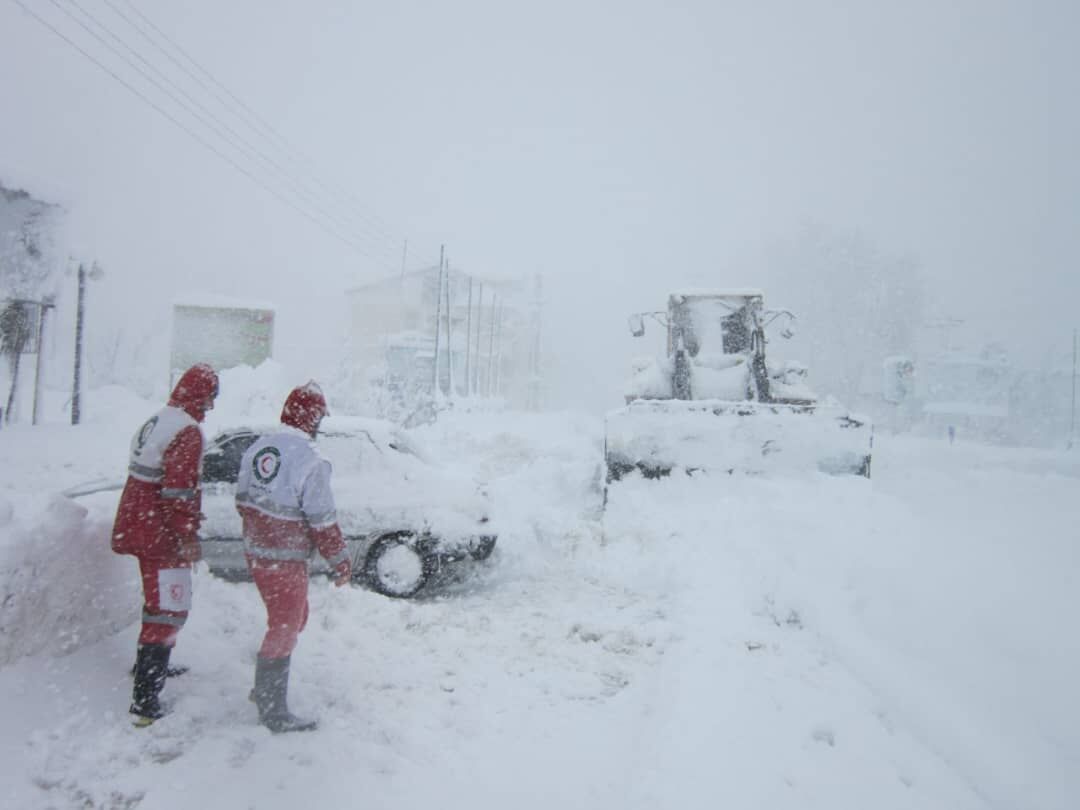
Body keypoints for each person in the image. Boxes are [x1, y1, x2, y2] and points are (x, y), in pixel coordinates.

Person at [235, 381, 351, 733]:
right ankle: (272, 709)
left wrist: (261, 532)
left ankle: (264, 688)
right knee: (285, 625)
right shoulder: (311, 460)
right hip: (284, 558)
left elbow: (242, 499)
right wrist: (340, 561)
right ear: (312, 418)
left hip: (257, 553)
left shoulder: (259, 447)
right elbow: (323, 520)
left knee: (295, 617)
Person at [111, 362, 219, 726]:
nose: (211, 406)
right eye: (210, 397)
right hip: (161, 532)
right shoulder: (187, 431)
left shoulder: (159, 419)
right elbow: (178, 492)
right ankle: (145, 700)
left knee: (157, 602)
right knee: (169, 607)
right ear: (199, 395)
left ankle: (149, 665)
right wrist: (187, 535)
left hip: (138, 523)